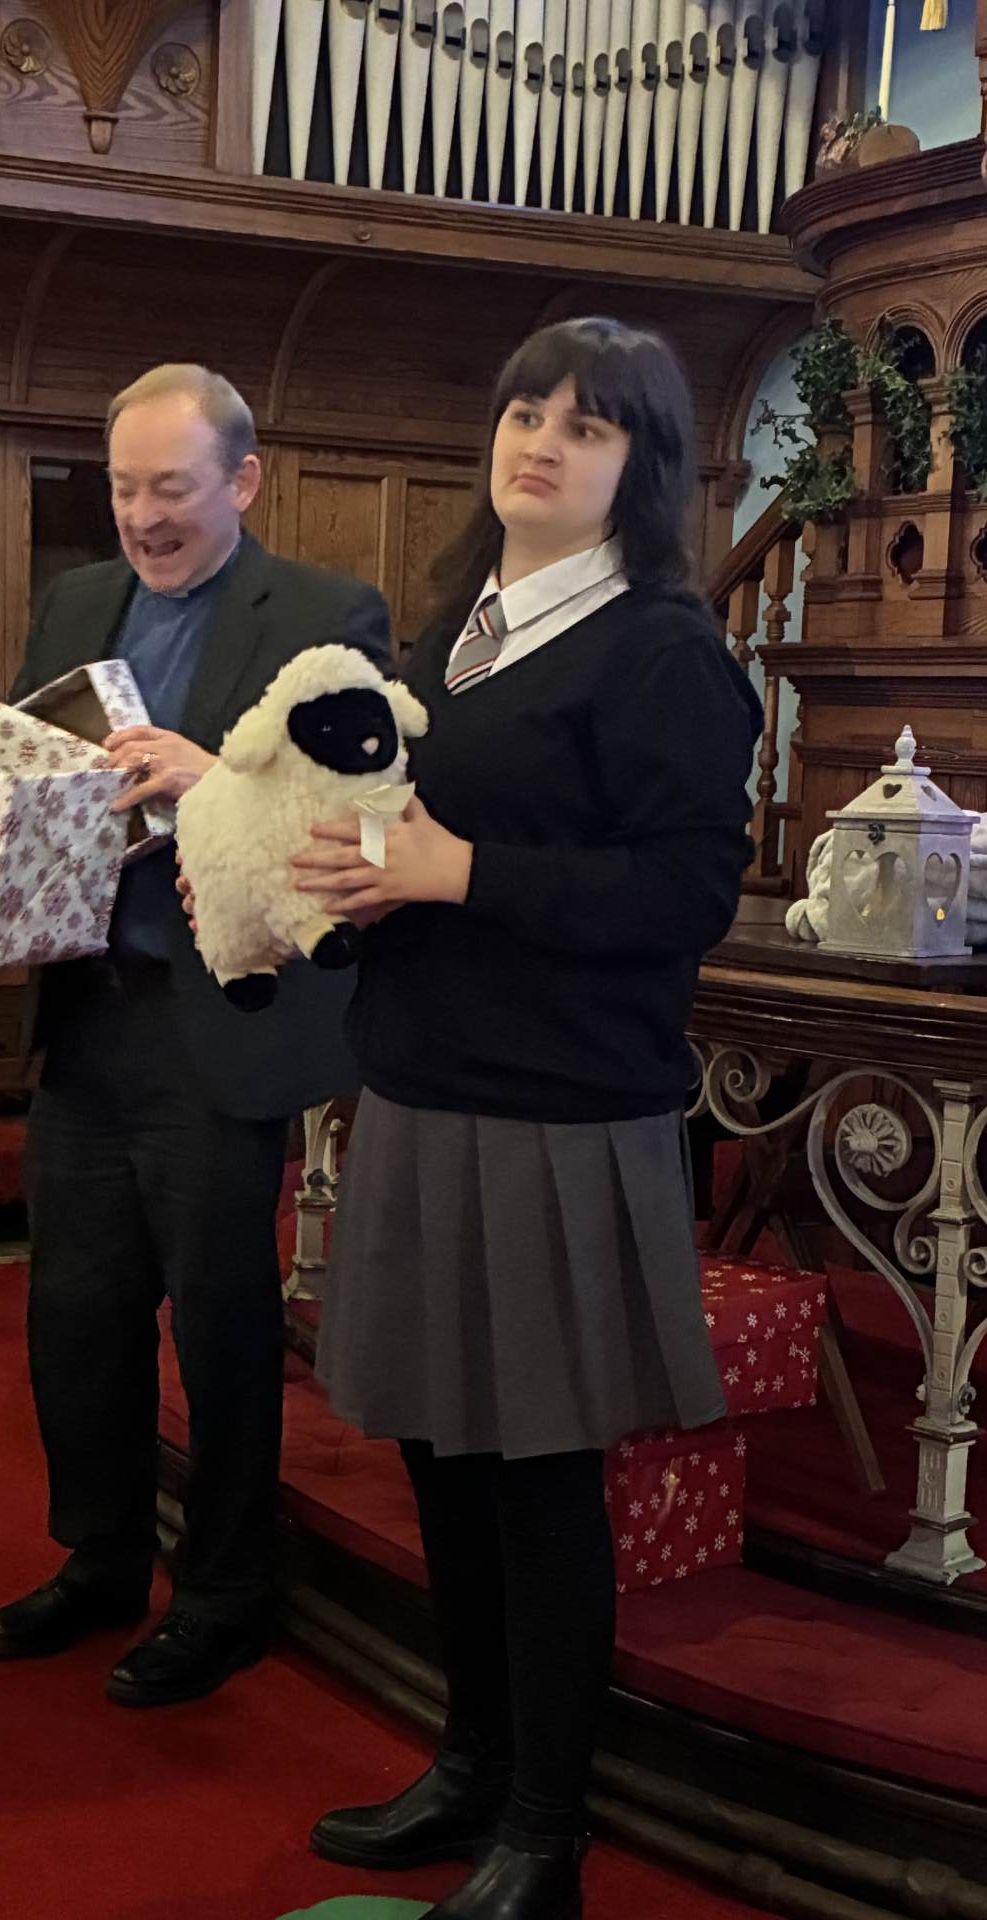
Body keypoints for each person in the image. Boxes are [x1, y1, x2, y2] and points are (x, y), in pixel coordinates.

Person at [290, 319, 763, 1919]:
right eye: (524, 411)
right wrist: (346, 892)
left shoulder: (661, 651)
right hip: (423, 1085)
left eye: (588, 425)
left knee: (540, 1483)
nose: (541, 442)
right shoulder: (455, 635)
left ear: (644, 466)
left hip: (558, 1114)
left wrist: (460, 873)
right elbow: (410, 847)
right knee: (440, 1455)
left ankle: (546, 1832)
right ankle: (471, 1763)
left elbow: (686, 896)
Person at [0, 364, 391, 1708]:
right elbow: (29, 779)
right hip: (86, 1008)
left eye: (171, 487)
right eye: (122, 488)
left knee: (218, 1326)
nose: (143, 516)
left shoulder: (326, 618)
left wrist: (208, 779)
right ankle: (100, 1560)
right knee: (77, 1314)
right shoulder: (75, 603)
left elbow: (361, 823)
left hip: (221, 1018)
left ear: (243, 481)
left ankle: (222, 1597)